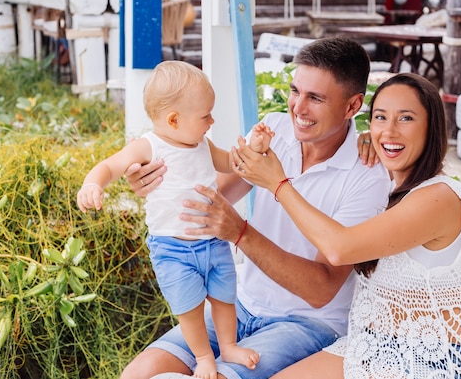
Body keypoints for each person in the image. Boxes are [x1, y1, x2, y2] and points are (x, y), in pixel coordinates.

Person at [120, 37, 392, 379]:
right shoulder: (276, 128)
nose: (298, 108)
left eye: (316, 98)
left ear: (353, 106)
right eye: (295, 91)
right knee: (138, 373)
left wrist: (240, 233)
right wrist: (154, 180)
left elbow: (321, 290)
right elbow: (207, 199)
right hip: (240, 307)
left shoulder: (367, 176)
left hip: (307, 324)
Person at [234, 72, 461, 379]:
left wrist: (278, 183)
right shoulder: (388, 182)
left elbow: (339, 248)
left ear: (431, 127)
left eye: (406, 118)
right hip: (373, 344)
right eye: (380, 117)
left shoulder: (438, 198)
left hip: (435, 358)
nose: (390, 130)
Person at [77, 61, 267, 378]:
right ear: (174, 120)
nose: (212, 120)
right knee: (190, 310)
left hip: (213, 241)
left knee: (224, 298)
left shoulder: (203, 145)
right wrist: (92, 184)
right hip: (173, 250)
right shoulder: (148, 147)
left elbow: (232, 163)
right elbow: (109, 167)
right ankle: (204, 356)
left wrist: (255, 148)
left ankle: (229, 346)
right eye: (205, 115)